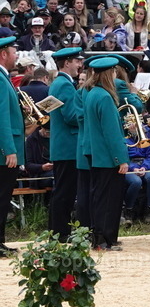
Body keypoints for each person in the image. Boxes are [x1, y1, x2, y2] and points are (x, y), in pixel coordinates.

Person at [80, 56, 130, 251]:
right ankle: (105, 239)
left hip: (94, 153)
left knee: (98, 197)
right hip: (107, 157)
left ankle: (99, 238)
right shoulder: (105, 97)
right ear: (109, 74)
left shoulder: (91, 93)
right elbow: (112, 133)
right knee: (109, 199)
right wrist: (121, 159)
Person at [47, 47, 86, 240]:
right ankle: (60, 234)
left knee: (62, 191)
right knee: (65, 193)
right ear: (67, 62)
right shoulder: (65, 85)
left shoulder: (59, 83)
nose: (80, 64)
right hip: (68, 146)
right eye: (77, 61)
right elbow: (71, 116)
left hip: (62, 146)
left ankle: (57, 232)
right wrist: (87, 113)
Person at [0, 35, 25, 256]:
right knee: (1, 197)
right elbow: (2, 117)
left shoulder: (4, 77)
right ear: (3, 54)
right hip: (4, 152)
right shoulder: (0, 79)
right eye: (14, 52)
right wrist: (9, 149)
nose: (17, 56)